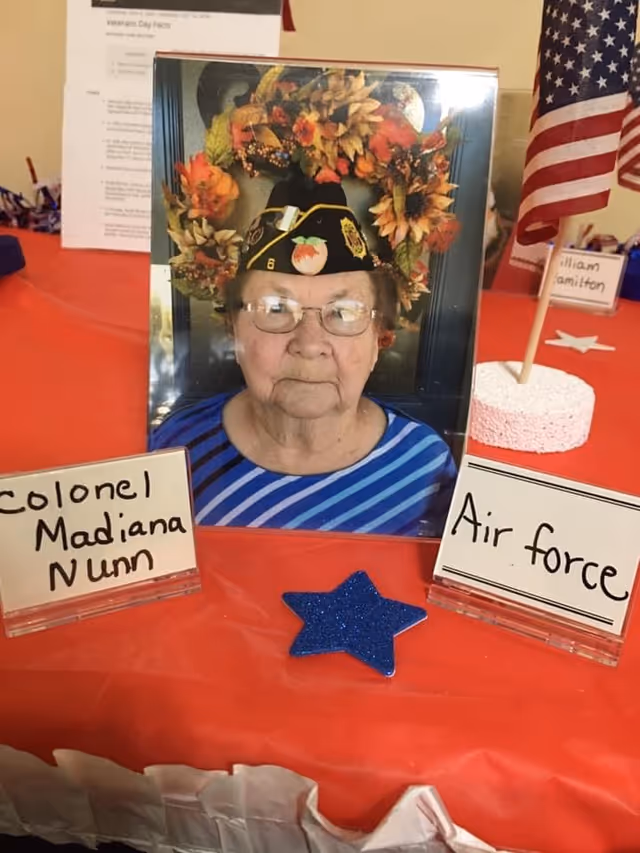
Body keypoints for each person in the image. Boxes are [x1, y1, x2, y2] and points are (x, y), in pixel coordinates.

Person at [149, 177, 457, 537]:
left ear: (378, 338)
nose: (310, 344)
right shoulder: (175, 451)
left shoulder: (425, 469)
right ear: (233, 329)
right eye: (276, 308)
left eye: (344, 312)